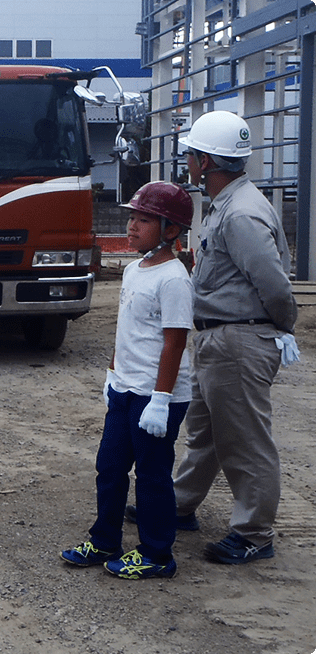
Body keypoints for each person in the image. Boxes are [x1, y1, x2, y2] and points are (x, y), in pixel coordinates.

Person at [131, 110, 300, 565]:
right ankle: (182, 504)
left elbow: (275, 285)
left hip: (238, 340)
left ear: (205, 161)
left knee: (244, 440)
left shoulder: (240, 213)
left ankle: (254, 533)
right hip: (220, 337)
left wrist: (281, 327)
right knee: (205, 433)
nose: (187, 160)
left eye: (191, 154)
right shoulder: (229, 203)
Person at [60, 181, 194, 580]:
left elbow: (174, 343)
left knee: (152, 474)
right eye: (132, 217)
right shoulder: (135, 269)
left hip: (156, 397)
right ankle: (105, 540)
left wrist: (161, 398)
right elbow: (126, 329)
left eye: (144, 220)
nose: (132, 226)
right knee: (110, 467)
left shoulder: (173, 278)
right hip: (125, 388)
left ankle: (157, 553)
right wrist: (112, 374)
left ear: (171, 229)